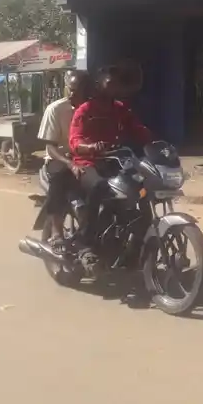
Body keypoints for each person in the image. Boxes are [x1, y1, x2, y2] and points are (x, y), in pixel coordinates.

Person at [68, 66, 153, 262]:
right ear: (99, 85)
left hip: (115, 161)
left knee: (141, 187)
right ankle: (85, 241)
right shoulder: (85, 110)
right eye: (110, 83)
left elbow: (136, 128)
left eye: (117, 84)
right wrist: (90, 147)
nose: (115, 87)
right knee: (98, 186)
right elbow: (74, 141)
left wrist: (153, 139)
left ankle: (133, 242)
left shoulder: (120, 108)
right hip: (88, 163)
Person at [36, 70, 92, 251]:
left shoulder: (94, 109)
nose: (73, 94)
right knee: (59, 177)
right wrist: (70, 163)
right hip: (60, 158)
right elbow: (50, 148)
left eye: (78, 90)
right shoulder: (55, 109)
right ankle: (57, 232)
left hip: (86, 158)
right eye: (71, 89)